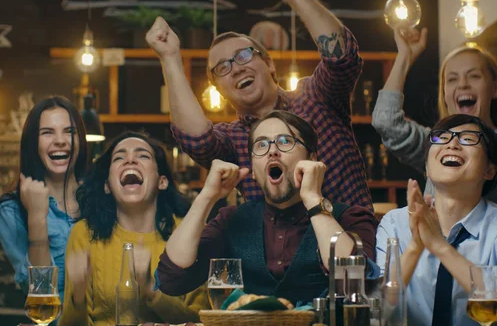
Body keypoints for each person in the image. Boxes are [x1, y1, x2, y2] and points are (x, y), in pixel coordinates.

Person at [145, 0, 374, 212]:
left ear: (269, 64)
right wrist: (170, 58)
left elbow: (342, 59)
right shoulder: (233, 140)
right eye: (223, 67)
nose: (236, 69)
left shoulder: (315, 96)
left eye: (243, 55)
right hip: (282, 251)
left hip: (354, 244)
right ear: (218, 90)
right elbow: (196, 140)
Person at [157, 111, 379, 306]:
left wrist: (313, 198)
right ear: (253, 170)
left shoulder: (349, 217)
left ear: (311, 159)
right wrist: (206, 197)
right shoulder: (232, 221)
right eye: (261, 145)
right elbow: (172, 278)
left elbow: (359, 286)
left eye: (285, 141)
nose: (272, 152)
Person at [372, 10, 497, 217]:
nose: (462, 84)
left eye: (474, 76)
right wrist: (404, 57)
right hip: (435, 250)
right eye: (452, 79)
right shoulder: (435, 143)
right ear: (445, 94)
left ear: (495, 88)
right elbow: (386, 121)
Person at [376, 114, 497, 326]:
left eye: (468, 139)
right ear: (426, 169)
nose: (452, 144)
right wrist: (416, 245)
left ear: (489, 170)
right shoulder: (395, 223)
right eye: (441, 138)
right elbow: (377, 312)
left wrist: (441, 247)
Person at [58, 132, 208, 326]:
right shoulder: (84, 234)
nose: (130, 160)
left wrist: (150, 291)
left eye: (143, 156)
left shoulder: (190, 234)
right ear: (107, 186)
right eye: (119, 157)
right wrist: (77, 298)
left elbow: (200, 321)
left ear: (162, 181)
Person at [0, 96, 89, 303]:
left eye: (69, 132)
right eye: (47, 133)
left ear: (80, 140)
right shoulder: (11, 209)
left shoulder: (101, 195)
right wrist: (37, 217)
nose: (60, 140)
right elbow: (41, 294)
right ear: (32, 143)